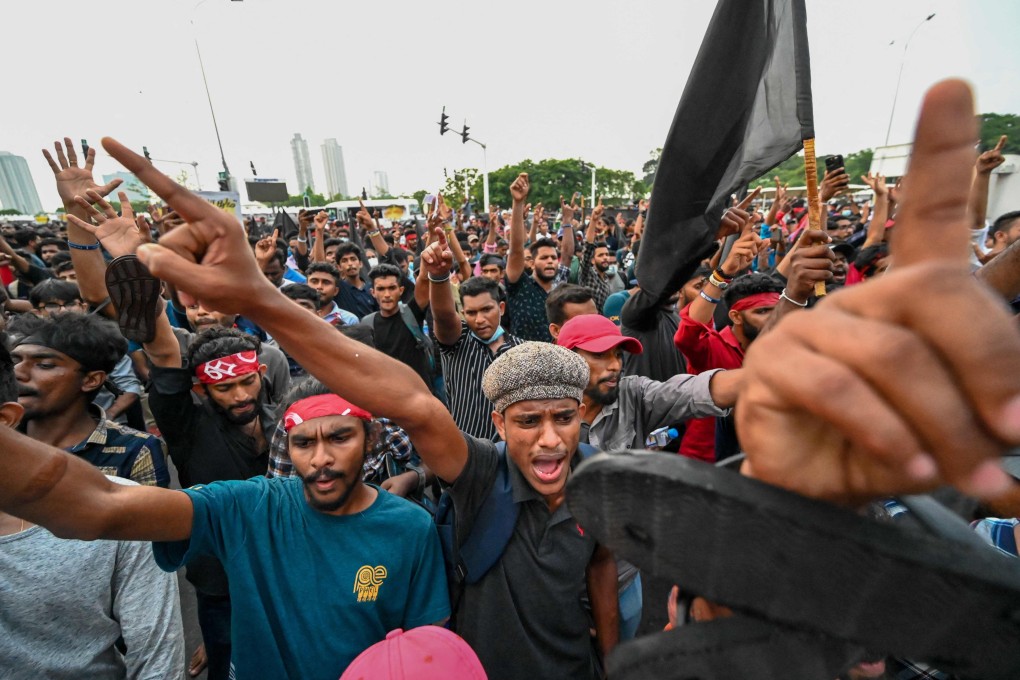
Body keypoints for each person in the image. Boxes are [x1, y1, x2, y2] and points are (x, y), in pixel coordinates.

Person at [0, 339, 185, 679]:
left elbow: (156, 656)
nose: (21, 373)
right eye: (16, 360)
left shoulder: (130, 477)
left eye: (44, 363)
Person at [11, 312, 169, 487]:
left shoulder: (136, 450)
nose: (17, 372)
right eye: (14, 361)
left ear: (91, 380)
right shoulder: (6, 439)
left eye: (45, 364)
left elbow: (150, 513)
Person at [431, 273, 523, 440]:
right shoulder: (457, 342)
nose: (479, 319)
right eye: (471, 313)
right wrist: (438, 276)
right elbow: (443, 316)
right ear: (463, 313)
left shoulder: (522, 350)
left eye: (486, 310)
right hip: (466, 452)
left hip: (511, 452)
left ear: (501, 308)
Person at [503, 174, 575, 342]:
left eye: (552, 257)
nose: (550, 261)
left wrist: (566, 220)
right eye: (544, 258)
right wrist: (518, 203)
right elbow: (515, 251)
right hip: (523, 363)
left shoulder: (561, 286)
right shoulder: (519, 286)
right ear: (531, 262)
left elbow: (567, 255)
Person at [359, 263, 434, 391]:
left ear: (401, 290)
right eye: (381, 289)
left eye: (392, 288)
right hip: (387, 396)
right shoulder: (367, 323)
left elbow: (424, 280)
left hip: (420, 393)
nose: (387, 294)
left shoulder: (412, 312)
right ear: (373, 292)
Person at [334, 242, 378, 318]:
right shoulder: (338, 289)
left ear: (360, 263)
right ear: (339, 267)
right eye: (344, 261)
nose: (350, 263)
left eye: (353, 259)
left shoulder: (372, 287)